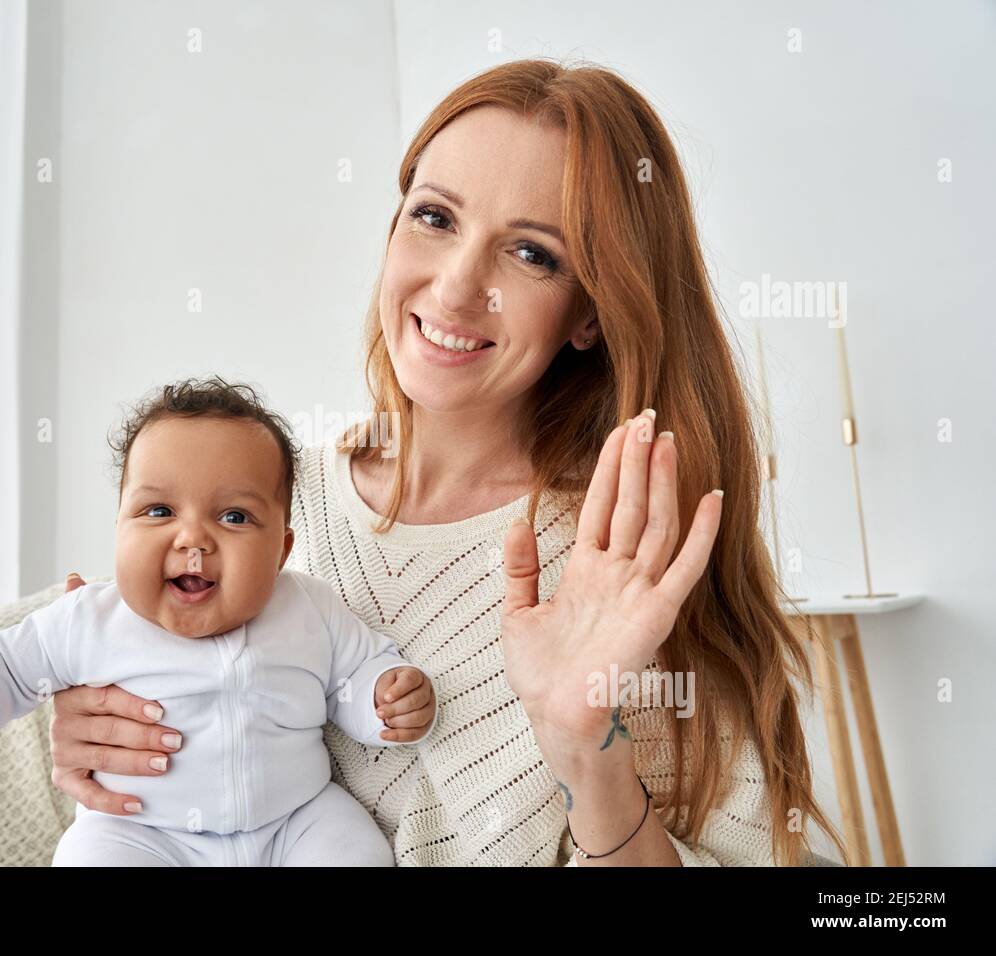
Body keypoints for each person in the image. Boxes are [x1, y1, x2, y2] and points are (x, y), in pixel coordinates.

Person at [53, 58, 847, 867]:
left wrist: (586, 751)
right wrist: (93, 730)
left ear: (591, 315)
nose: (459, 287)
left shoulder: (623, 565)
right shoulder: (263, 504)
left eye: (533, 255)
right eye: (434, 217)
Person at [0, 378, 437, 866]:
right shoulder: (93, 620)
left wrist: (384, 701)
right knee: (90, 856)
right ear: (118, 528)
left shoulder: (309, 607)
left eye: (234, 516)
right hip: (145, 836)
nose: (193, 539)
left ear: (281, 550)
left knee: (352, 848)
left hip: (291, 824)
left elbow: (359, 672)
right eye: (158, 511)